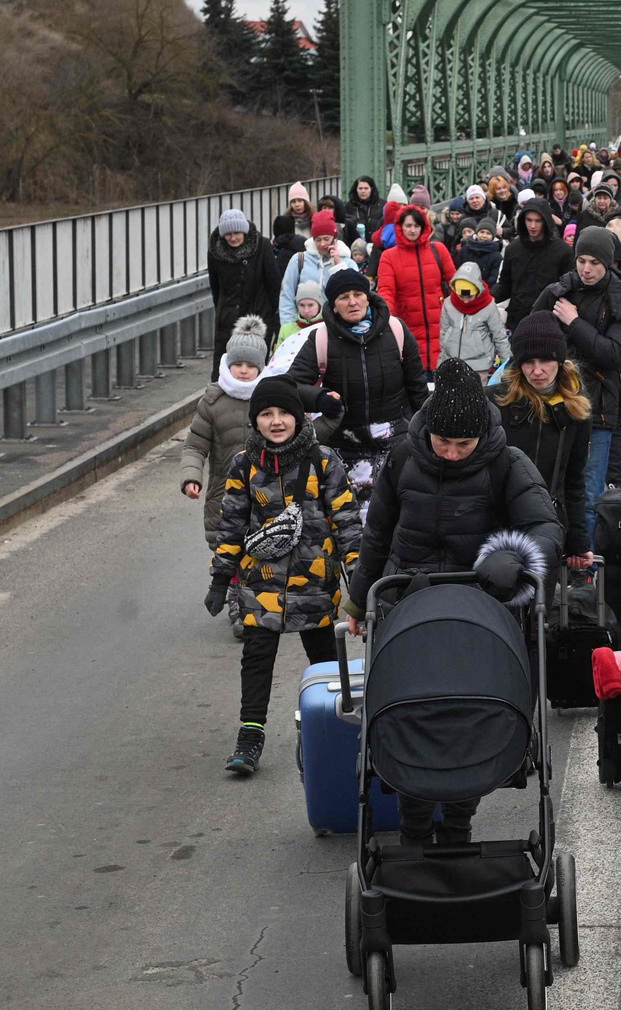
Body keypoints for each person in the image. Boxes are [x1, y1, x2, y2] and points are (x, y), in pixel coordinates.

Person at [343, 358, 564, 844]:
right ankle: (414, 821)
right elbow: (378, 534)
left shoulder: (508, 463)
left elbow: (546, 528)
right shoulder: (404, 458)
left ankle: (461, 818)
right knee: (411, 711)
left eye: (463, 445)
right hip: (409, 605)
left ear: (481, 435)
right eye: (443, 442)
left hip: (483, 607)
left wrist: (516, 558)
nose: (451, 453)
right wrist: (359, 602)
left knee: (471, 719)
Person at [205, 375, 357, 775]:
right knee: (256, 656)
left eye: (284, 413)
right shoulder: (244, 464)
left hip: (314, 581)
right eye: (266, 414)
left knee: (324, 661)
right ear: (255, 420)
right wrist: (221, 578)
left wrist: (358, 577)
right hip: (261, 583)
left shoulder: (323, 461)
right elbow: (232, 524)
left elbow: (347, 523)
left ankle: (335, 729)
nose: (276, 421)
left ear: (298, 417)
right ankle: (250, 735)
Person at [529, 225, 621, 546]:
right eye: (582, 261)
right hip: (553, 403)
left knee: (589, 494)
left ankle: (585, 565)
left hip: (598, 409)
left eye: (594, 262)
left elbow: (615, 354)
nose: (587, 269)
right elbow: (531, 334)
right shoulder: (558, 291)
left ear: (607, 264)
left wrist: (573, 323)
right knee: (547, 488)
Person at [287, 269, 430, 473]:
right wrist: (320, 399)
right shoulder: (321, 339)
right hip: (344, 447)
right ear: (334, 305)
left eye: (358, 294)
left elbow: (418, 387)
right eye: (344, 297)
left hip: (398, 442)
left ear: (368, 298)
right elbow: (291, 386)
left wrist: (424, 432)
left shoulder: (396, 330)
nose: (352, 302)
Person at [491, 312, 594, 570]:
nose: (537, 371)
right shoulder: (495, 401)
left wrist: (577, 542)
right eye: (528, 362)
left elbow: (573, 480)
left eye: (545, 360)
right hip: (498, 522)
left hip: (548, 524)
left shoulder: (576, 410)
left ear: (559, 361)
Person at [180, 316, 264, 609]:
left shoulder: (270, 399)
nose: (243, 370)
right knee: (226, 547)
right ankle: (235, 597)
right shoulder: (213, 401)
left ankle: (248, 600)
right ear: (228, 364)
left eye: (250, 366)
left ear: (260, 368)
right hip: (223, 494)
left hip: (265, 492)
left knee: (261, 546)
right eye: (238, 364)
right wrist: (192, 477)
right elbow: (195, 444)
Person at [376, 205, 456, 376]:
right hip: (407, 326)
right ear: (400, 227)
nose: (412, 230)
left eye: (416, 226)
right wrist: (385, 316)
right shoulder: (389, 257)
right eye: (408, 225)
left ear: (424, 227)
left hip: (440, 326)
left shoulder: (438, 250)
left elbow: (455, 283)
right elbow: (386, 291)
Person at [206, 209, 282, 381]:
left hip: (258, 318)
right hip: (228, 320)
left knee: (254, 368)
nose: (233, 238)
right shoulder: (215, 252)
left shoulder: (262, 246)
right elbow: (215, 287)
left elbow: (273, 282)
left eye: (237, 233)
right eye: (228, 234)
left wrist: (276, 316)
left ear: (245, 232)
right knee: (223, 369)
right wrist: (222, 311)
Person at [494, 196, 574, 329]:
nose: (533, 226)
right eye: (529, 220)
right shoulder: (513, 249)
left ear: (546, 221)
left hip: (549, 323)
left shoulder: (563, 251)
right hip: (517, 320)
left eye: (538, 221)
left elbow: (569, 289)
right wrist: (488, 295)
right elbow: (505, 285)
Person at [278, 211, 357, 334]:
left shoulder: (348, 263)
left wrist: (338, 262)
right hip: (302, 328)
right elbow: (287, 295)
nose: (322, 244)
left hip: (337, 329)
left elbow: (352, 293)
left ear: (335, 238)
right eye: (317, 240)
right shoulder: (299, 260)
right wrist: (288, 328)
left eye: (326, 239)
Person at [437, 262, 511, 377]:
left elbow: (500, 337)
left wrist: (508, 367)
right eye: (461, 296)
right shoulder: (448, 304)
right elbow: (443, 334)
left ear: (478, 290)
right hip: (451, 364)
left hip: (479, 367)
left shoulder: (488, 306)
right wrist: (441, 364)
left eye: (469, 297)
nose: (465, 301)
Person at [343, 176, 387, 245]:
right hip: (355, 246)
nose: (363, 191)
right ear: (356, 190)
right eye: (360, 188)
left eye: (366, 188)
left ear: (371, 189)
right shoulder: (349, 207)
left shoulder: (382, 205)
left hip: (376, 244)